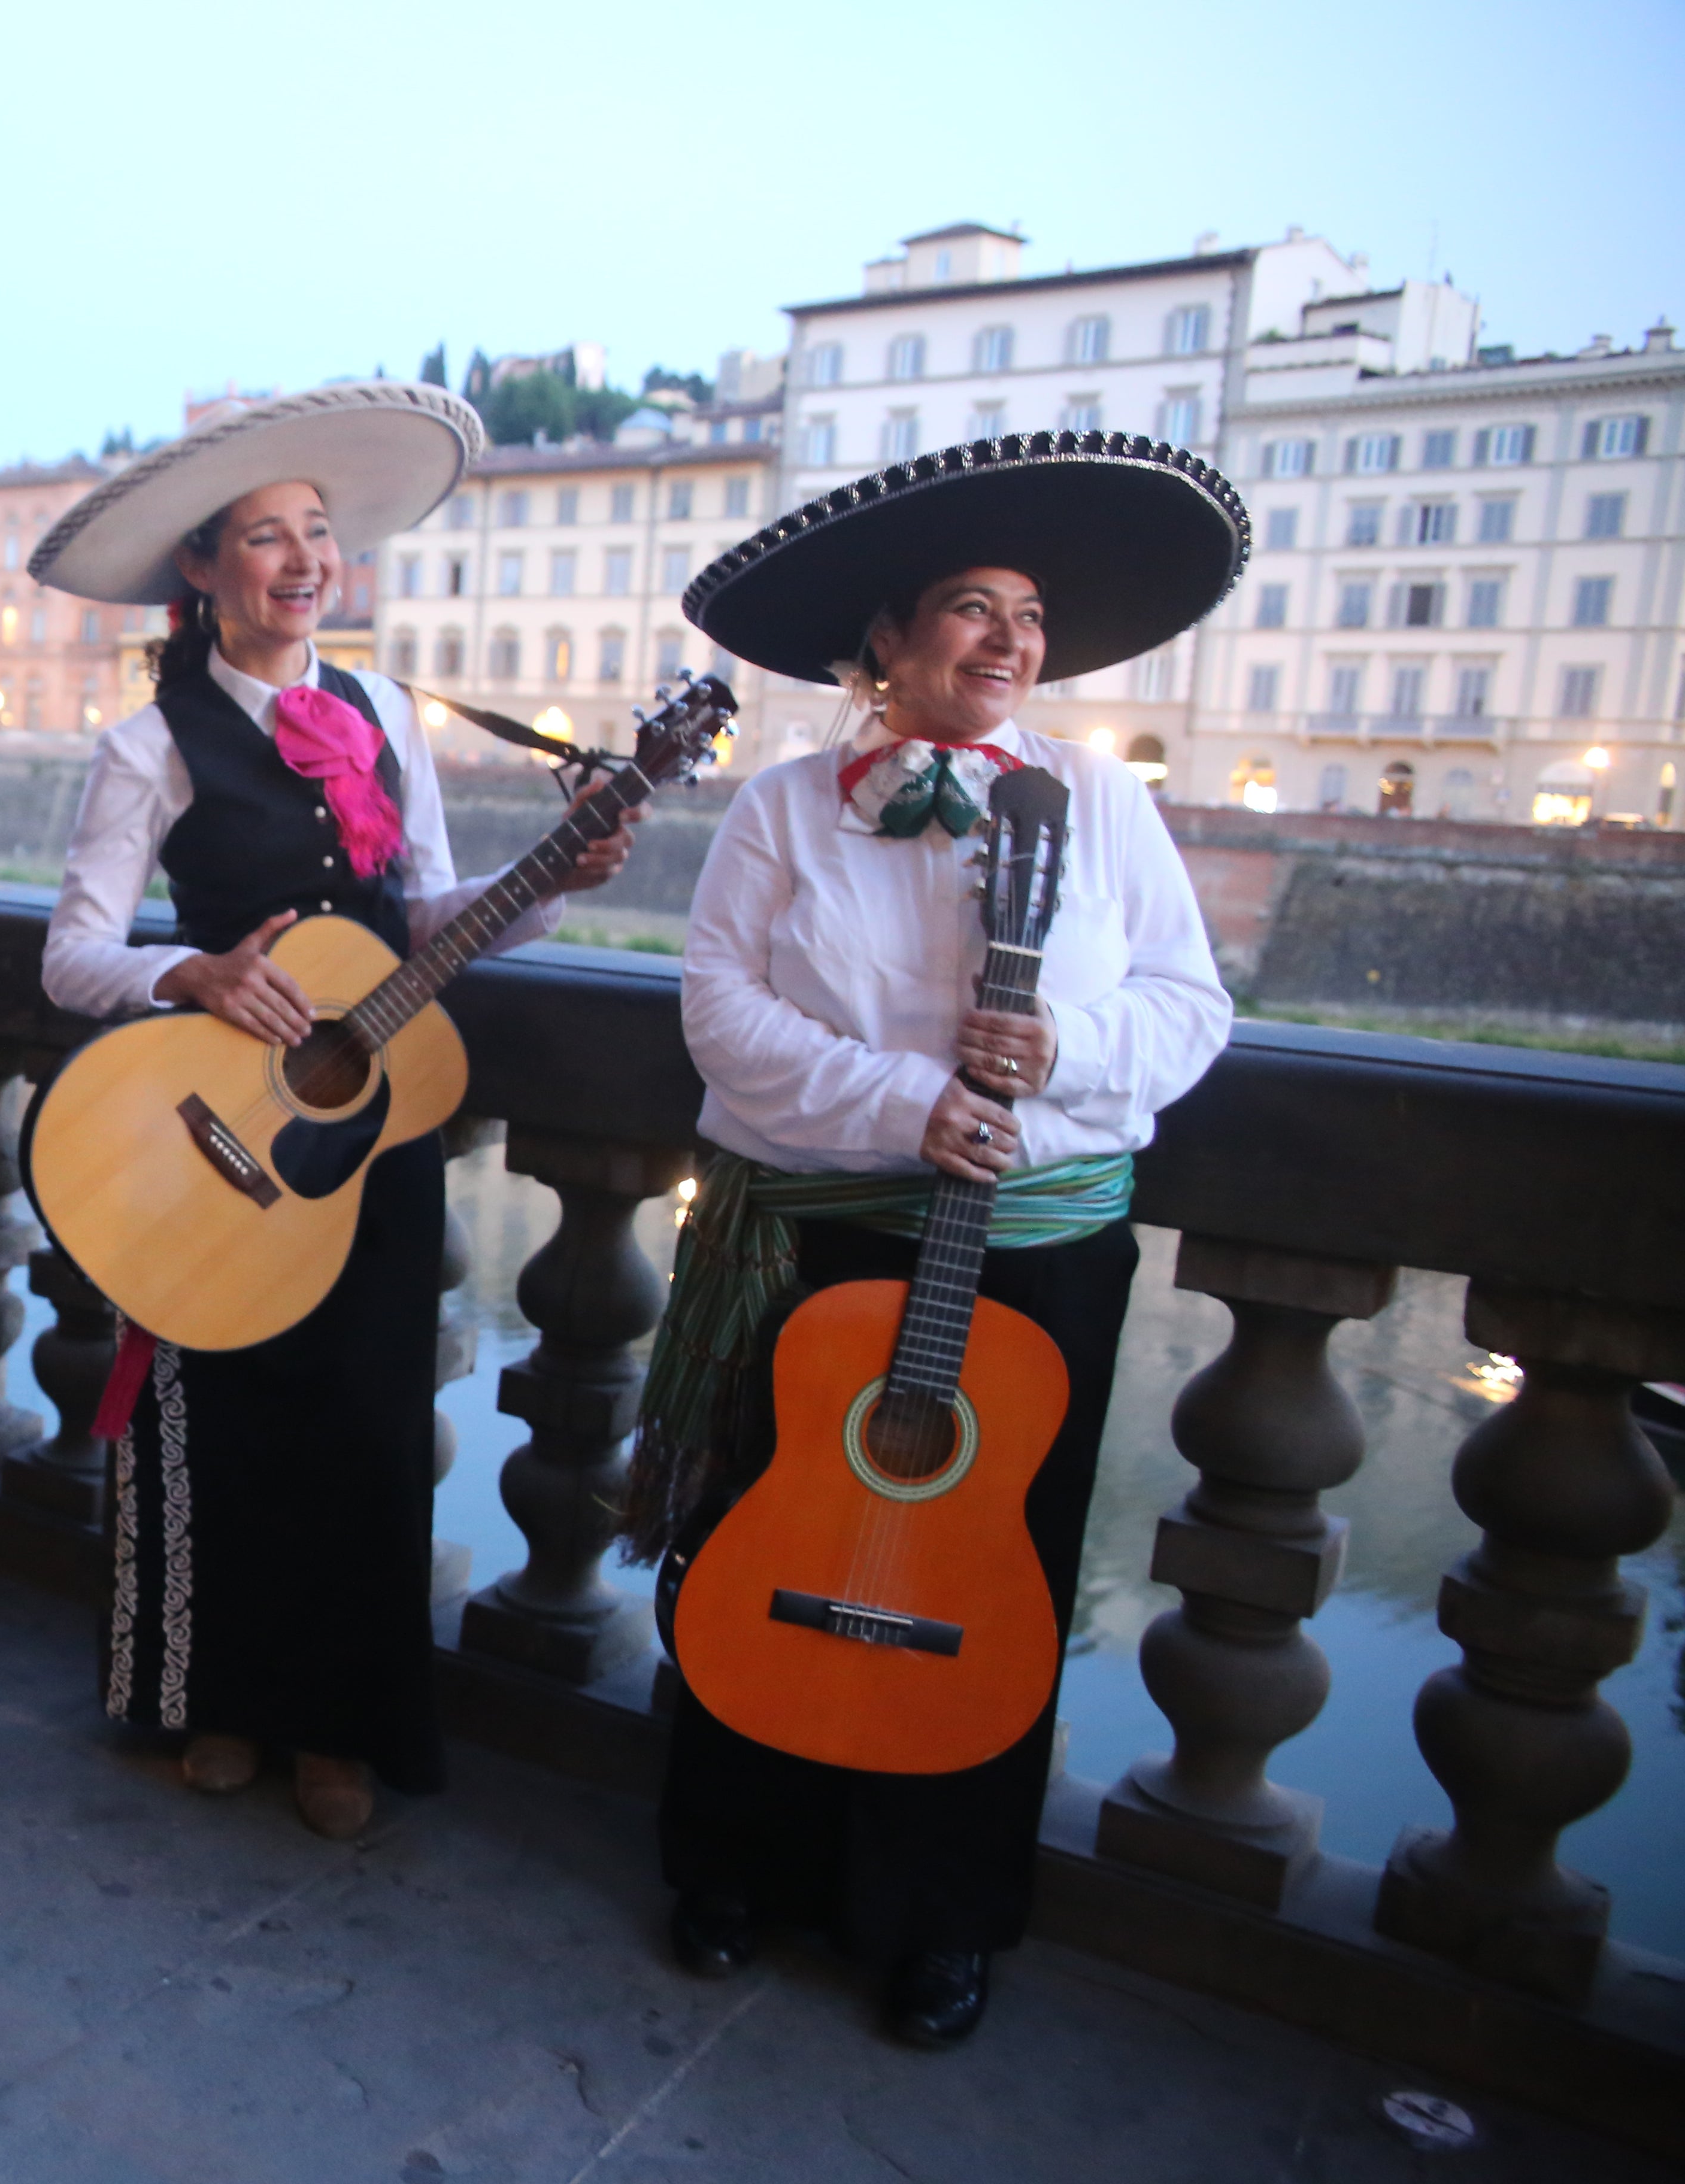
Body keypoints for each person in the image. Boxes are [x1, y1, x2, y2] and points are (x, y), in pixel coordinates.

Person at [632, 432, 1244, 2046]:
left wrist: (1060, 1062)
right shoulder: (780, 812)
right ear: (884, 648)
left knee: (990, 1569)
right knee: (770, 1541)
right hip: (815, 1235)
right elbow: (719, 1020)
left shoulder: (1101, 802)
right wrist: (909, 1101)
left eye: (1028, 616)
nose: (1009, 641)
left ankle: (941, 1911)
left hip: (1035, 1248)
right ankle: (734, 1859)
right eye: (970, 609)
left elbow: (1188, 1009)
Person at [30, 384, 641, 1840]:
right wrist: (195, 971)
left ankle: (338, 1730)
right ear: (203, 571)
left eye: (317, 535)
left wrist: (548, 881)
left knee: (365, 1433)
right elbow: (67, 957)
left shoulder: (379, 715)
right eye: (264, 538)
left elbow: (427, 913)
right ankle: (214, 1700)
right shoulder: (148, 744)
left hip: (369, 1134)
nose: (303, 561)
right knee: (221, 1430)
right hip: (210, 1124)